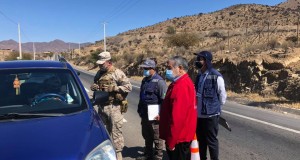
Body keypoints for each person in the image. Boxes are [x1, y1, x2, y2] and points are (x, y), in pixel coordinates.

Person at [90, 51, 132, 160]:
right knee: (103, 131)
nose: (100, 65)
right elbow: (97, 85)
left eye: (102, 63)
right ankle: (105, 153)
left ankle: (118, 153)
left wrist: (115, 88)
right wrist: (94, 87)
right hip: (102, 107)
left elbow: (128, 87)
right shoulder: (99, 73)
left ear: (109, 62)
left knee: (116, 131)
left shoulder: (117, 73)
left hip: (114, 107)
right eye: (99, 63)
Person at [159, 56, 197, 160]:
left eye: (169, 68)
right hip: (179, 136)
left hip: (179, 138)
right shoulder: (179, 83)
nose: (167, 70)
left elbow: (178, 117)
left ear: (179, 68)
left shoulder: (181, 86)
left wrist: (171, 142)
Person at [194, 51, 227, 160]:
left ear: (207, 61)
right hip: (199, 115)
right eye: (198, 59)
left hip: (210, 115)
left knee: (211, 141)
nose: (198, 61)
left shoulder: (216, 76)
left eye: (200, 59)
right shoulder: (199, 76)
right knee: (201, 141)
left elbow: (222, 95)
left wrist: (216, 108)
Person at [136, 59, 167, 160]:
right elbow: (142, 96)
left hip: (155, 115)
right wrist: (140, 109)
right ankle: (148, 154)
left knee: (157, 138)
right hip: (145, 114)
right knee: (147, 135)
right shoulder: (144, 80)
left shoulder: (160, 82)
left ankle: (158, 156)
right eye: (144, 68)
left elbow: (165, 101)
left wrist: (161, 114)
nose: (144, 70)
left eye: (146, 68)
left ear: (153, 69)